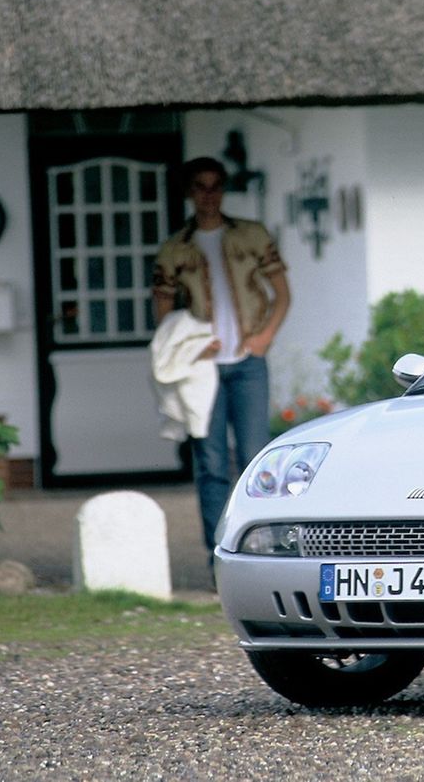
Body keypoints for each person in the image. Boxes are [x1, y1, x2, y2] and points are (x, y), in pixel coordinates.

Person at [152, 157, 291, 557]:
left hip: (248, 363)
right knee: (211, 466)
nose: (208, 195)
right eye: (200, 186)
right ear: (189, 192)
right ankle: (218, 556)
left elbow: (282, 293)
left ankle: (264, 550)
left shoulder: (251, 235)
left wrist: (263, 337)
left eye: (215, 186)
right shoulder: (175, 248)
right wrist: (192, 347)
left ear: (223, 190)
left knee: (255, 460)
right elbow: (162, 311)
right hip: (202, 371)